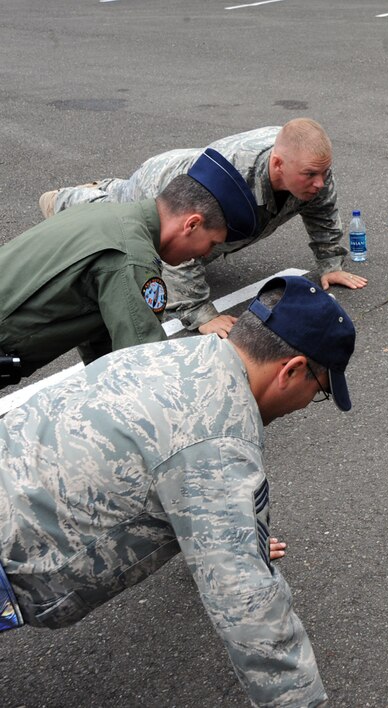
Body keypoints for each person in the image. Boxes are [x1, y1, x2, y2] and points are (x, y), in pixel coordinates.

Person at [0, 274, 357, 707]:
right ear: (293, 369)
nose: (306, 405)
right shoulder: (218, 439)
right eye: (318, 391)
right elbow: (249, 608)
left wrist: (221, 540)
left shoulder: (177, 354)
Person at [41, 118, 367, 338]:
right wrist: (199, 312)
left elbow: (322, 211)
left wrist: (330, 262)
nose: (319, 182)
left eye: (323, 173)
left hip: (194, 182)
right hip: (163, 184)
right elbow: (185, 235)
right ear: (279, 165)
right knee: (120, 222)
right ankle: (65, 200)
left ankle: (106, 187)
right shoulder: (228, 183)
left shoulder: (311, 166)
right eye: (311, 175)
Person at [0, 149, 257, 387]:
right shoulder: (133, 257)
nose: (207, 254)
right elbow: (144, 364)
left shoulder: (107, 215)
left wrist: (104, 385)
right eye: (211, 243)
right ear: (191, 224)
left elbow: (102, 330)